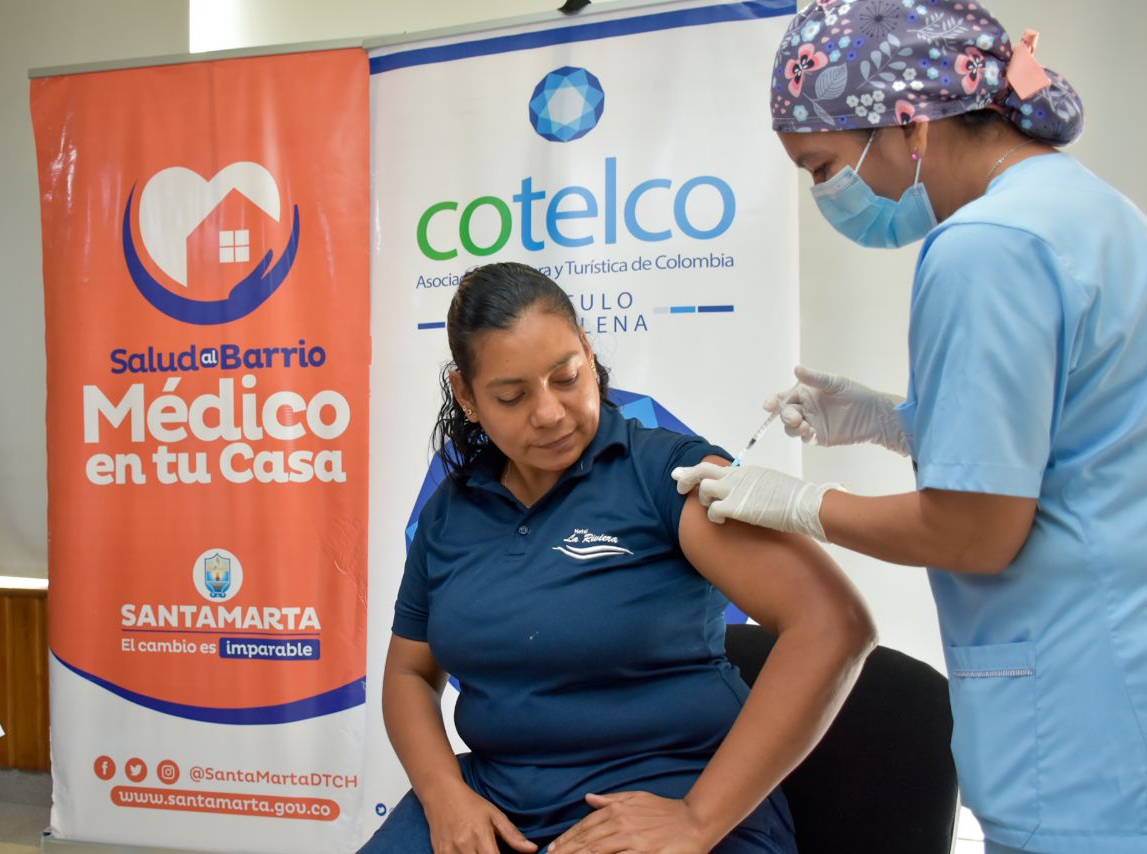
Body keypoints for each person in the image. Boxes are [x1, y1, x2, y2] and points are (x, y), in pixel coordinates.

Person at [674, 4, 1147, 853]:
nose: (831, 194)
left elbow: (977, 530)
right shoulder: (1089, 211)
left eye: (822, 165)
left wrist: (798, 502)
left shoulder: (982, 248)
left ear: (908, 124)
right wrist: (894, 421)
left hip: (1082, 718)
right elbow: (1076, 433)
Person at [361, 262, 875, 854]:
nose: (549, 411)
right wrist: (442, 794)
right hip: (497, 803)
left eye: (566, 377)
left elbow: (833, 624)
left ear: (587, 350)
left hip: (668, 798)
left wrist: (697, 820)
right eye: (512, 395)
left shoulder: (667, 474)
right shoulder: (449, 516)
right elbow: (408, 674)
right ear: (467, 395)